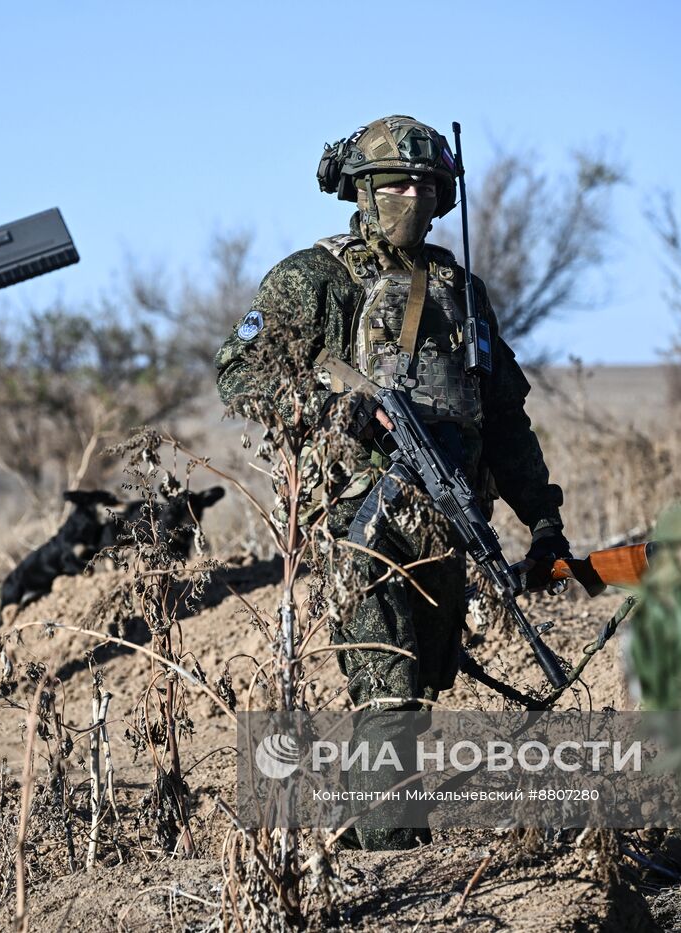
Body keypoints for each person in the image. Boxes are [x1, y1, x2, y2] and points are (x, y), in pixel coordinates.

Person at [214, 115, 572, 848]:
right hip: (355, 521)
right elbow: (238, 372)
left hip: (444, 518)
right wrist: (328, 405)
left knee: (422, 687)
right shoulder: (314, 278)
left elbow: (503, 420)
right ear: (361, 190)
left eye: (426, 184)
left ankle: (368, 833)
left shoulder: (460, 290)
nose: (412, 195)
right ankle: (387, 855)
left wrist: (542, 519)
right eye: (395, 183)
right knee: (388, 685)